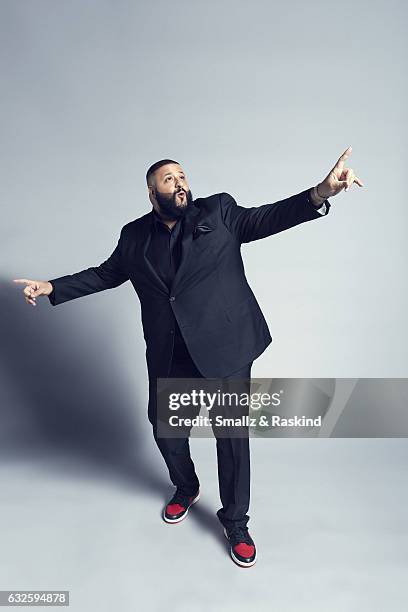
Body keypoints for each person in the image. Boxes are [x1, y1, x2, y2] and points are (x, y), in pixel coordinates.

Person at [13, 146, 363, 567]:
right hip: (171, 353)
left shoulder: (219, 212)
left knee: (231, 439)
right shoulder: (134, 235)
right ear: (150, 192)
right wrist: (52, 287)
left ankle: (236, 522)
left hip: (226, 347)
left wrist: (320, 193)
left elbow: (267, 218)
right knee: (167, 434)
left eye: (182, 176)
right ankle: (186, 487)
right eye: (168, 179)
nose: (179, 183)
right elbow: (106, 274)